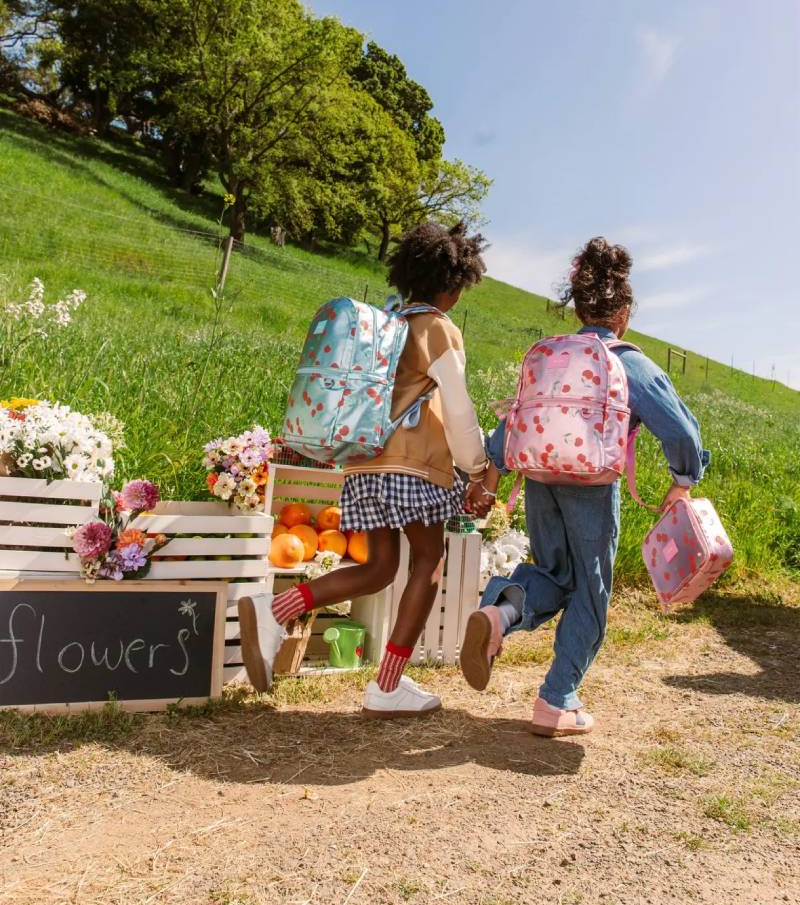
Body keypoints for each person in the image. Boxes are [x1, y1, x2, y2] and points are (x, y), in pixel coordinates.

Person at [459, 236, 709, 737]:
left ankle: (499, 614)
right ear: (624, 311)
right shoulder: (628, 361)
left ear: (577, 306)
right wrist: (684, 480)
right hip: (591, 484)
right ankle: (557, 698)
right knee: (592, 590)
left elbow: (511, 426)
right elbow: (680, 429)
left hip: (539, 478)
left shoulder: (551, 357)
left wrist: (492, 476)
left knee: (551, 572)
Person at [239, 221, 489, 717]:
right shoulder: (437, 327)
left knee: (378, 568)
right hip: (413, 468)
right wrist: (477, 466)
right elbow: (458, 410)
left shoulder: (388, 324)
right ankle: (388, 686)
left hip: (363, 464)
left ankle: (275, 611)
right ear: (453, 283)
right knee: (429, 565)